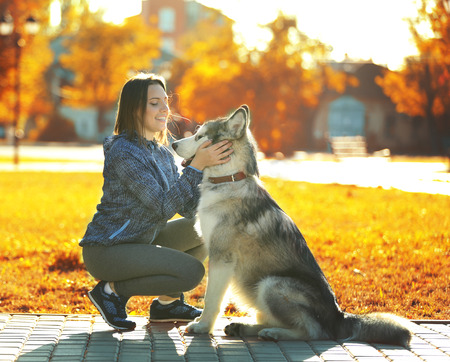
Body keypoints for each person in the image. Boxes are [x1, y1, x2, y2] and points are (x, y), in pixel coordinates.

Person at [79, 73, 233, 331]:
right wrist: (195, 167)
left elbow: (185, 208)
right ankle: (111, 291)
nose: (165, 109)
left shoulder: (161, 152)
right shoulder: (123, 151)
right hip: (108, 250)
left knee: (209, 226)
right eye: (154, 102)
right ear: (135, 108)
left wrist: (208, 171)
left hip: (143, 239)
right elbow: (161, 206)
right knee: (191, 273)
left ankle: (167, 304)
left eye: (165, 101)